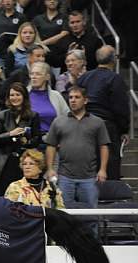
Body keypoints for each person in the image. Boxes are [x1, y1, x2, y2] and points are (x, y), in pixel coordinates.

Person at [45, 86, 109, 233]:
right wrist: (49, 168)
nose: (72, 100)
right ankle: (64, 246)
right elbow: (51, 146)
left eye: (77, 97)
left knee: (91, 217)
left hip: (89, 177)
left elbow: (104, 146)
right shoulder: (59, 121)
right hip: (64, 176)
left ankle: (92, 248)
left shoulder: (97, 122)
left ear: (85, 100)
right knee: (62, 215)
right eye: (71, 97)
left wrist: (103, 169)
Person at [78, 45, 130, 181]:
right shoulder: (115, 79)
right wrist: (124, 129)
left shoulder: (84, 78)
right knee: (109, 168)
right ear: (114, 60)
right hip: (107, 129)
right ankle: (109, 197)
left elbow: (74, 99)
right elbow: (121, 108)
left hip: (84, 125)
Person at [0, 82, 41, 195]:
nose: (14, 98)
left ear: (24, 96)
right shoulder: (1, 116)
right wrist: (10, 134)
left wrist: (26, 142)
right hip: (6, 161)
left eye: (18, 94)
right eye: (12, 95)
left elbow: (37, 140)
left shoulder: (33, 116)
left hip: (25, 161)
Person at [27, 61, 68, 139]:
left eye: (38, 74)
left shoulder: (56, 95)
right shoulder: (24, 94)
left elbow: (67, 118)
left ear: (47, 77)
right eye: (32, 74)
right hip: (29, 141)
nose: (34, 77)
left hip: (52, 140)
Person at [0, 0, 26, 66]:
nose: (8, 1)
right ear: (2, 2)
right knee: (1, 73)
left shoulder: (21, 17)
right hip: (0, 52)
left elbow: (24, 33)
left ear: (15, 2)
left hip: (15, 51)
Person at [32, 0, 69, 69]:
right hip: (42, 55)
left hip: (59, 54)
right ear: (44, 2)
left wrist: (42, 43)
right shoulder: (38, 19)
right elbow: (33, 34)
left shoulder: (64, 17)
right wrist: (41, 46)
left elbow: (64, 33)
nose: (52, 1)